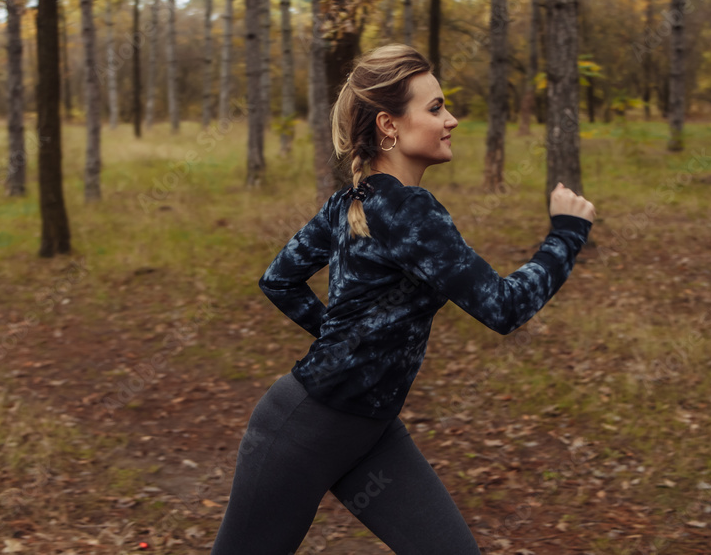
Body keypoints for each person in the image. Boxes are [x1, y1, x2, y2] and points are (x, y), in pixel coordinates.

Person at [210, 44, 595, 555]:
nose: (451, 120)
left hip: (371, 430)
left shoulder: (352, 201)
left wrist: (347, 345)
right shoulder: (409, 211)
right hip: (304, 429)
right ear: (389, 125)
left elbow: (278, 280)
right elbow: (504, 307)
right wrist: (567, 234)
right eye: (435, 108)